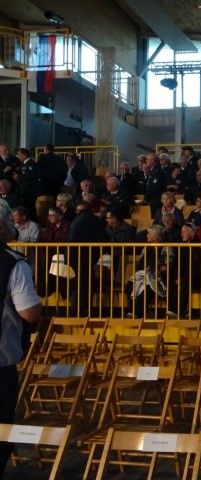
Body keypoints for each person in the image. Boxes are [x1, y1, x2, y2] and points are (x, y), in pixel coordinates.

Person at [0, 199, 41, 479]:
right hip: (1, 363)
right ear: (4, 228)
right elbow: (29, 313)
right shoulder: (13, 263)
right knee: (1, 426)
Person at [126, 225, 175, 318]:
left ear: (156, 236)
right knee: (130, 284)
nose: (147, 235)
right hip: (144, 273)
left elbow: (167, 265)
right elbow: (140, 263)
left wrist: (156, 270)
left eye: (149, 233)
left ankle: (138, 313)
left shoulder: (166, 247)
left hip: (159, 275)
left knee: (149, 285)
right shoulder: (146, 247)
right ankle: (133, 310)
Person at [16, 148, 40, 222]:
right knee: (27, 208)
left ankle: (33, 224)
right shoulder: (25, 164)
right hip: (25, 191)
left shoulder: (30, 164)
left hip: (29, 192)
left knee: (30, 209)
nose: (18, 156)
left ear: (24, 155)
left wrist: (18, 177)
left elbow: (31, 176)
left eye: (19, 154)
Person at [144, 152, 167, 217]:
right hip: (152, 200)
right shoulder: (153, 171)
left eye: (147, 159)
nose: (146, 161)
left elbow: (155, 188)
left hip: (156, 201)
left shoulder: (157, 172)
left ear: (153, 160)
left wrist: (147, 197)